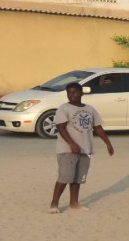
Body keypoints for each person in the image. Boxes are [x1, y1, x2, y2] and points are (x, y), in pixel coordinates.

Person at [49, 81, 114, 212]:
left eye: (74, 92)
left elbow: (98, 127)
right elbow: (61, 128)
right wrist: (72, 144)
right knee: (65, 177)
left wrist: (108, 143)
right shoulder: (64, 108)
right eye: (69, 92)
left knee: (77, 178)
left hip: (85, 149)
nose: (71, 95)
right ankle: (54, 204)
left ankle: (74, 203)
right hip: (67, 150)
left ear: (81, 93)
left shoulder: (90, 109)